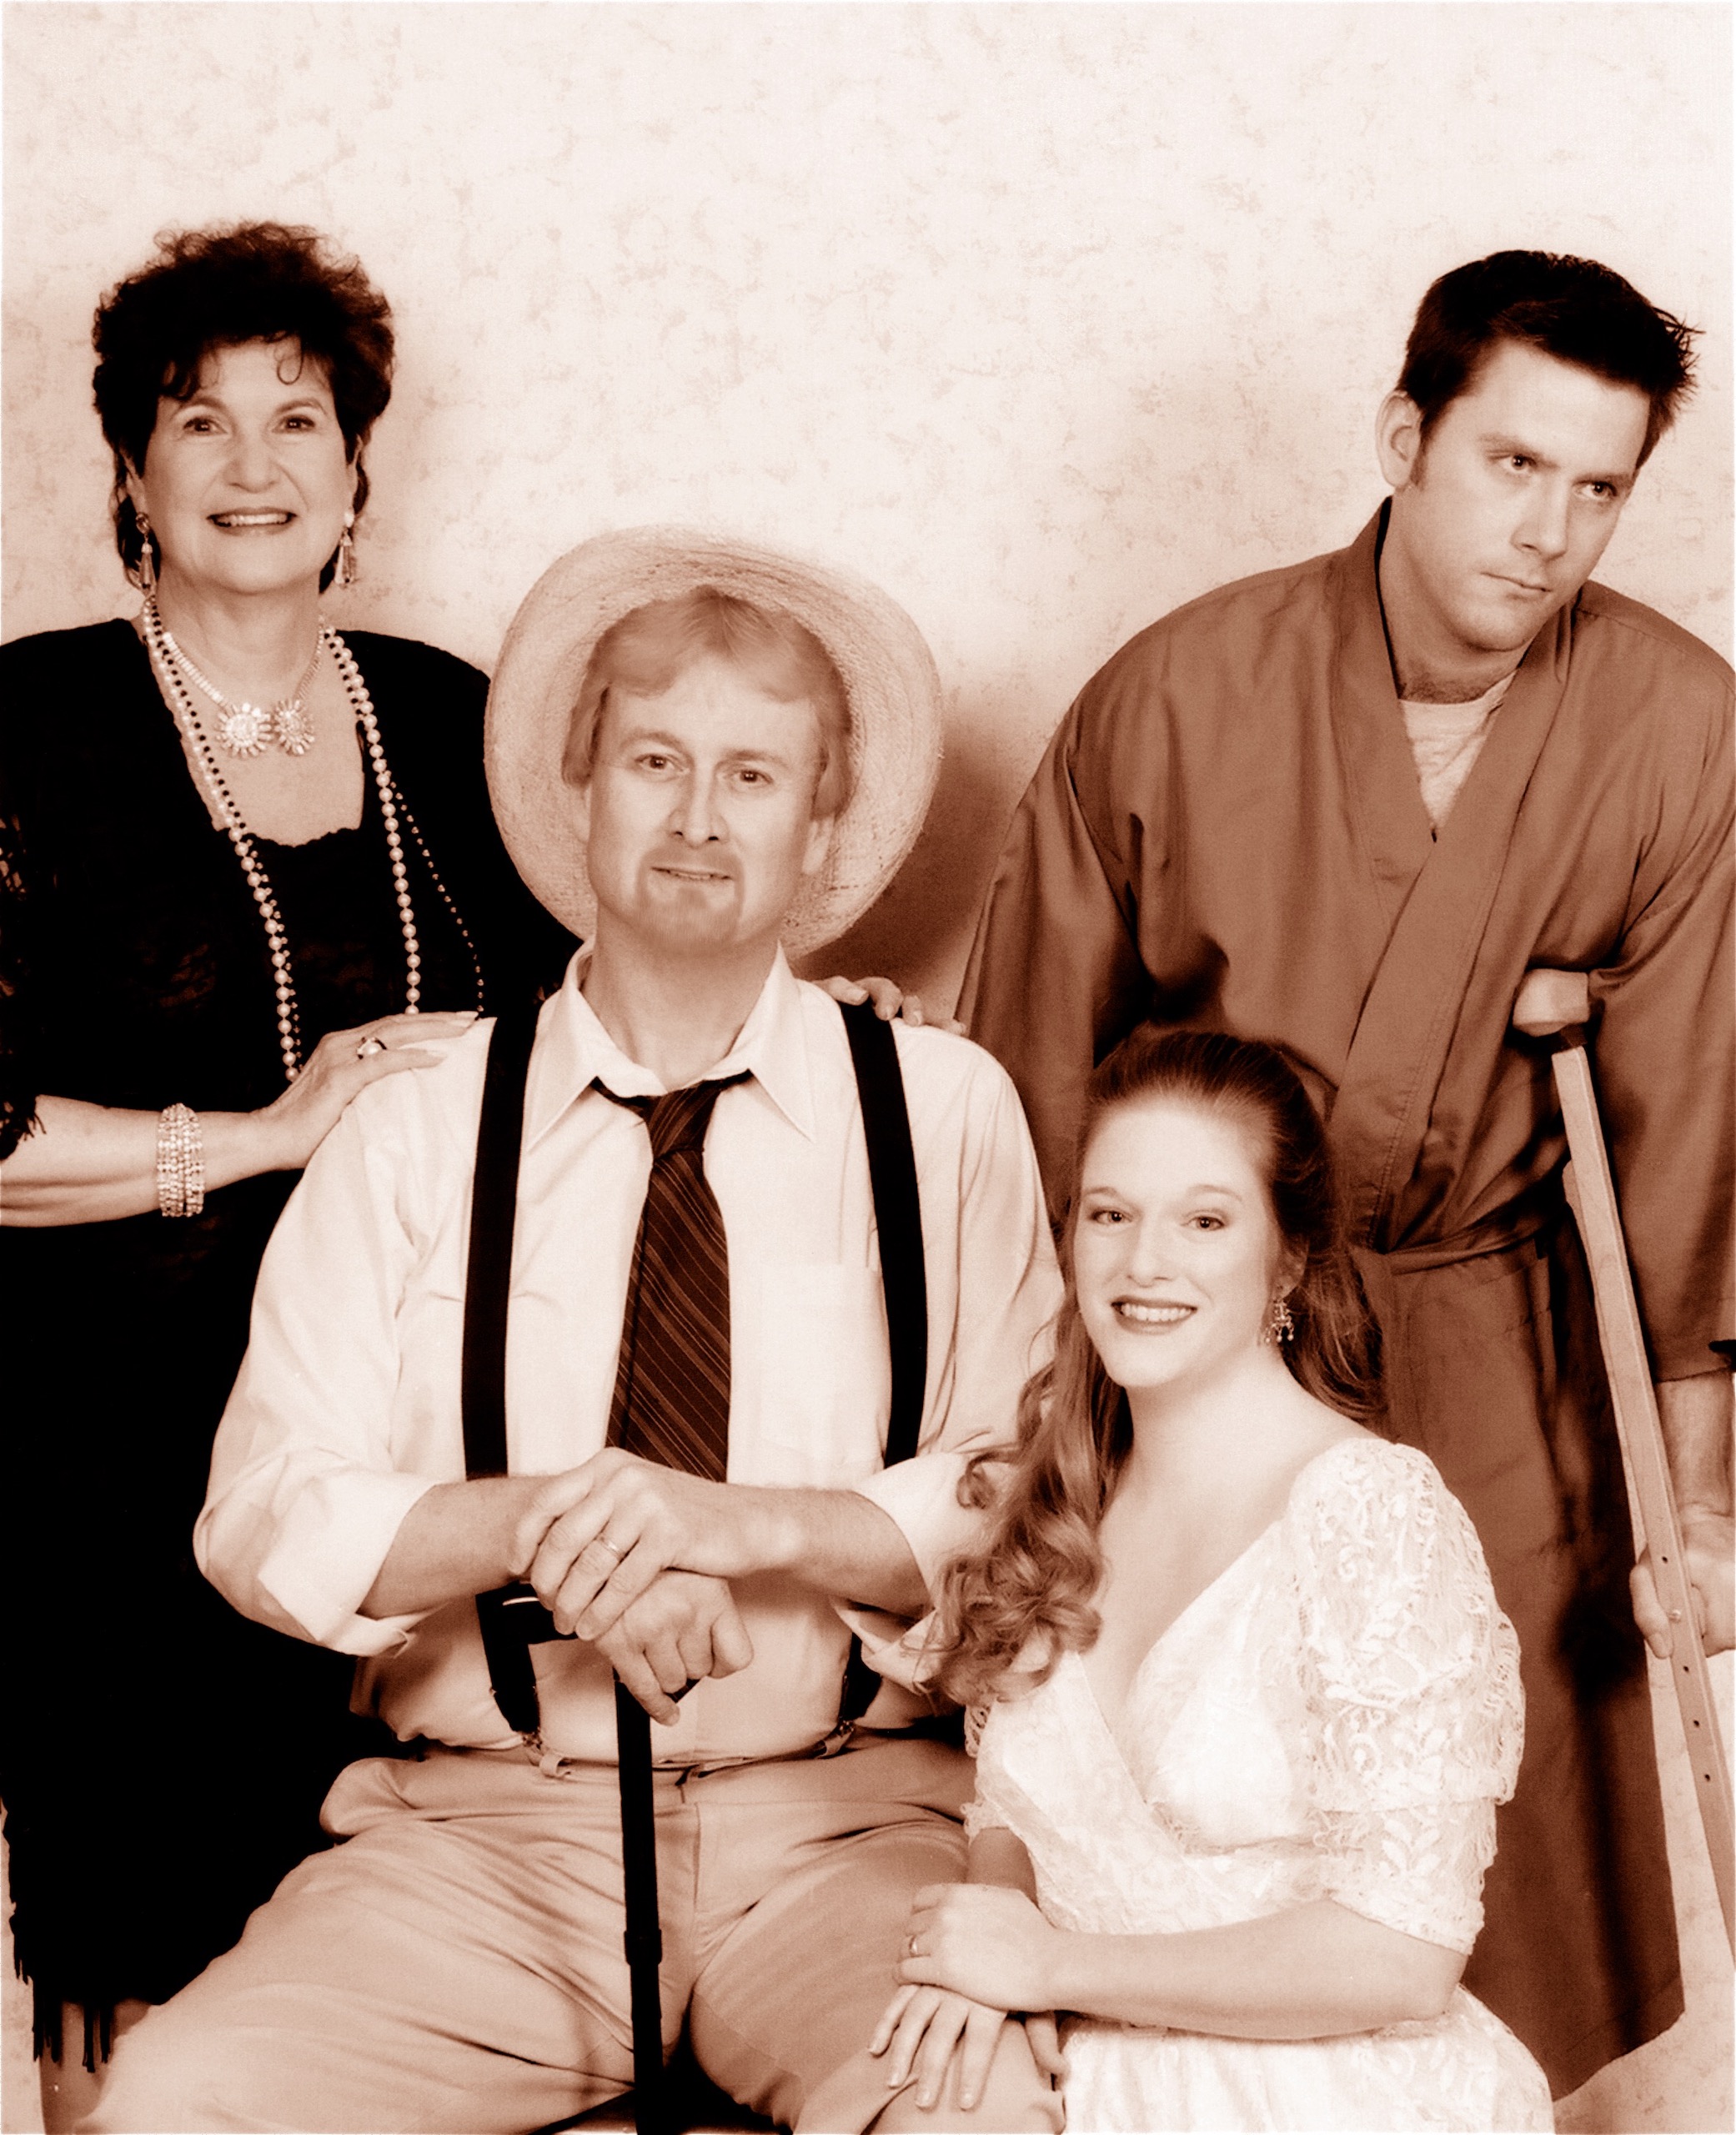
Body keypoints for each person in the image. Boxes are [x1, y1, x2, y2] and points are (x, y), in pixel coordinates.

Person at [88, 530, 1065, 2135]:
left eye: (754, 774)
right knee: (171, 2108)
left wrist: (740, 1525)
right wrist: (554, 1519)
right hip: (480, 1849)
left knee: (986, 2123)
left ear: (818, 824)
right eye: (654, 760)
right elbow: (262, 1512)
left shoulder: (943, 1111)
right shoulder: (416, 1121)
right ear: (580, 786)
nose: (698, 818)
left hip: (853, 1836)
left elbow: (1020, 1496)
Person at [959, 249, 1733, 2099]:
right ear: (1404, 438)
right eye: (1510, 464)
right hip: (1197, 1335)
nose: (1548, 531)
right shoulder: (1173, 694)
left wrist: (1699, 1509)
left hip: (1492, 1331)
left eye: (1598, 486)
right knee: (1172, 1755)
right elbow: (1029, 1089)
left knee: (1500, 1844)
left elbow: (1691, 1142)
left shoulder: (1678, 727)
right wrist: (1030, 1406)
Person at [0, 221, 574, 2124]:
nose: (254, 464)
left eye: (298, 418)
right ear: (130, 472)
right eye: (201, 421)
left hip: (413, 1466)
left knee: (403, 2001)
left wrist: (832, 1020)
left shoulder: (452, 716)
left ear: (356, 471)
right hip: (127, 1470)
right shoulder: (28, 727)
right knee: (153, 2009)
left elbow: (595, 1014)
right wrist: (265, 1134)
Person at [869, 1026, 1554, 2132]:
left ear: (1288, 1259)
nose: (1144, 1263)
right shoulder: (1063, 1498)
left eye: (1204, 1220)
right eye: (1110, 1214)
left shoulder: (1368, 1511)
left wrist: (1049, 1966)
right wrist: (987, 1929)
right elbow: (1014, 1811)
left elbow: (1403, 1954)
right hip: (1075, 2084)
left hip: (1323, 2101)